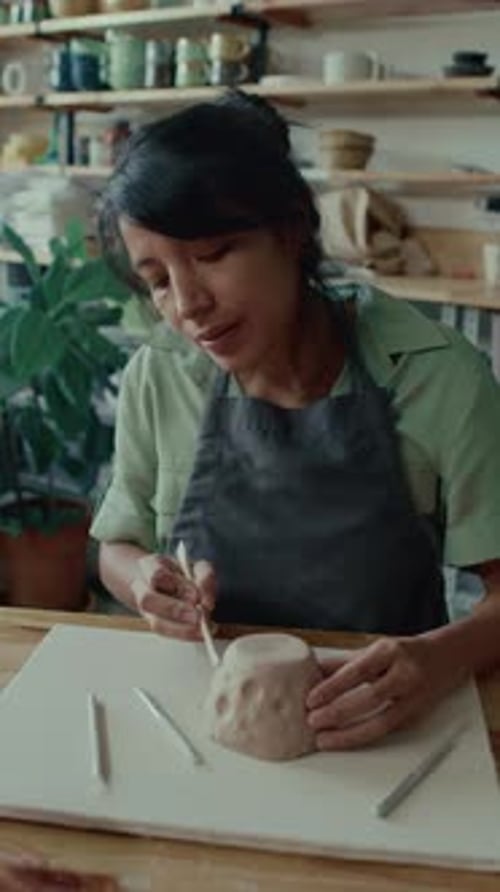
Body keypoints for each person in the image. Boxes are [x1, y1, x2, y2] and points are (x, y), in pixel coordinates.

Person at [92, 91, 500, 751]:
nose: (188, 305)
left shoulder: (438, 376)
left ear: (292, 230)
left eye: (213, 253)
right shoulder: (159, 376)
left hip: (384, 727)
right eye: (158, 279)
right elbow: (116, 544)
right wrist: (143, 581)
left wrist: (440, 659)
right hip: (202, 726)